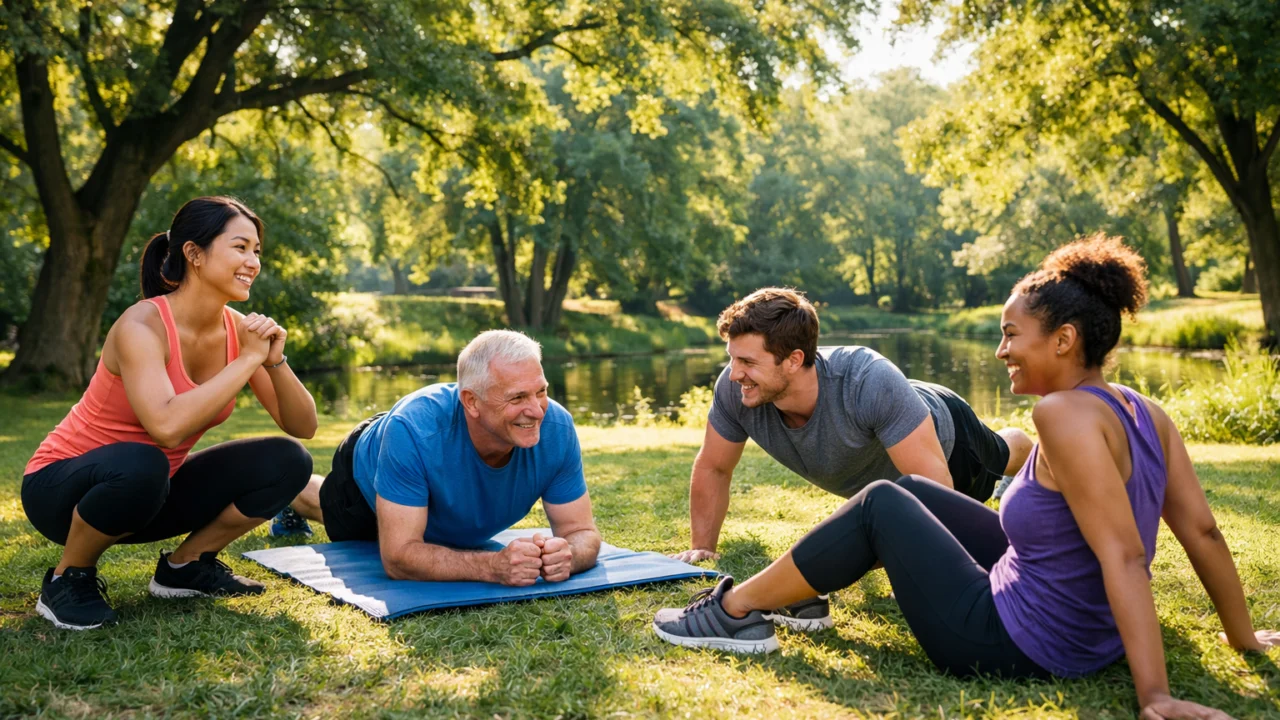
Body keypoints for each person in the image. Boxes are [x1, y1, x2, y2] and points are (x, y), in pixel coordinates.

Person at [652, 235, 1279, 719]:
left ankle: (732, 609)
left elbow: (1123, 553)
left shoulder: (1059, 414)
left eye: (1012, 335)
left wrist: (1156, 696)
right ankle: (796, 594)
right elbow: (1203, 532)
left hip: (1016, 640)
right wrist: (1241, 637)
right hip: (1077, 622)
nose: (1001, 350)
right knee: (912, 493)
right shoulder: (1147, 410)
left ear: (1063, 340)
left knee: (879, 505)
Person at [22, 196, 318, 631]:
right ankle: (70, 578)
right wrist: (245, 362)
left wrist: (271, 359)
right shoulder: (141, 326)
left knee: (288, 460)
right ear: (194, 254)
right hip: (61, 492)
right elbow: (165, 426)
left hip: (149, 492)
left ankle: (185, 567)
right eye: (240, 247)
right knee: (144, 461)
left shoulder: (238, 332)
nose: (252, 262)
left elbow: (304, 425)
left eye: (257, 251)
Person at [671, 287, 1031, 626]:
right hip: (892, 407)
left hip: (949, 440)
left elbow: (934, 496)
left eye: (747, 361)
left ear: (794, 359)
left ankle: (1034, 457)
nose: (734, 374)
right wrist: (702, 547)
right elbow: (714, 466)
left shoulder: (867, 378)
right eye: (732, 359)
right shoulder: (738, 389)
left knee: (1000, 454)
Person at [284, 330, 602, 585]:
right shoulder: (412, 431)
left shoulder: (557, 428)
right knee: (332, 512)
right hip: (368, 473)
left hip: (432, 463)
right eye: (517, 397)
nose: (536, 410)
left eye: (541, 392)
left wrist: (569, 556)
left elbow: (582, 533)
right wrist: (492, 566)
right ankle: (290, 490)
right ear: (471, 402)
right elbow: (398, 558)